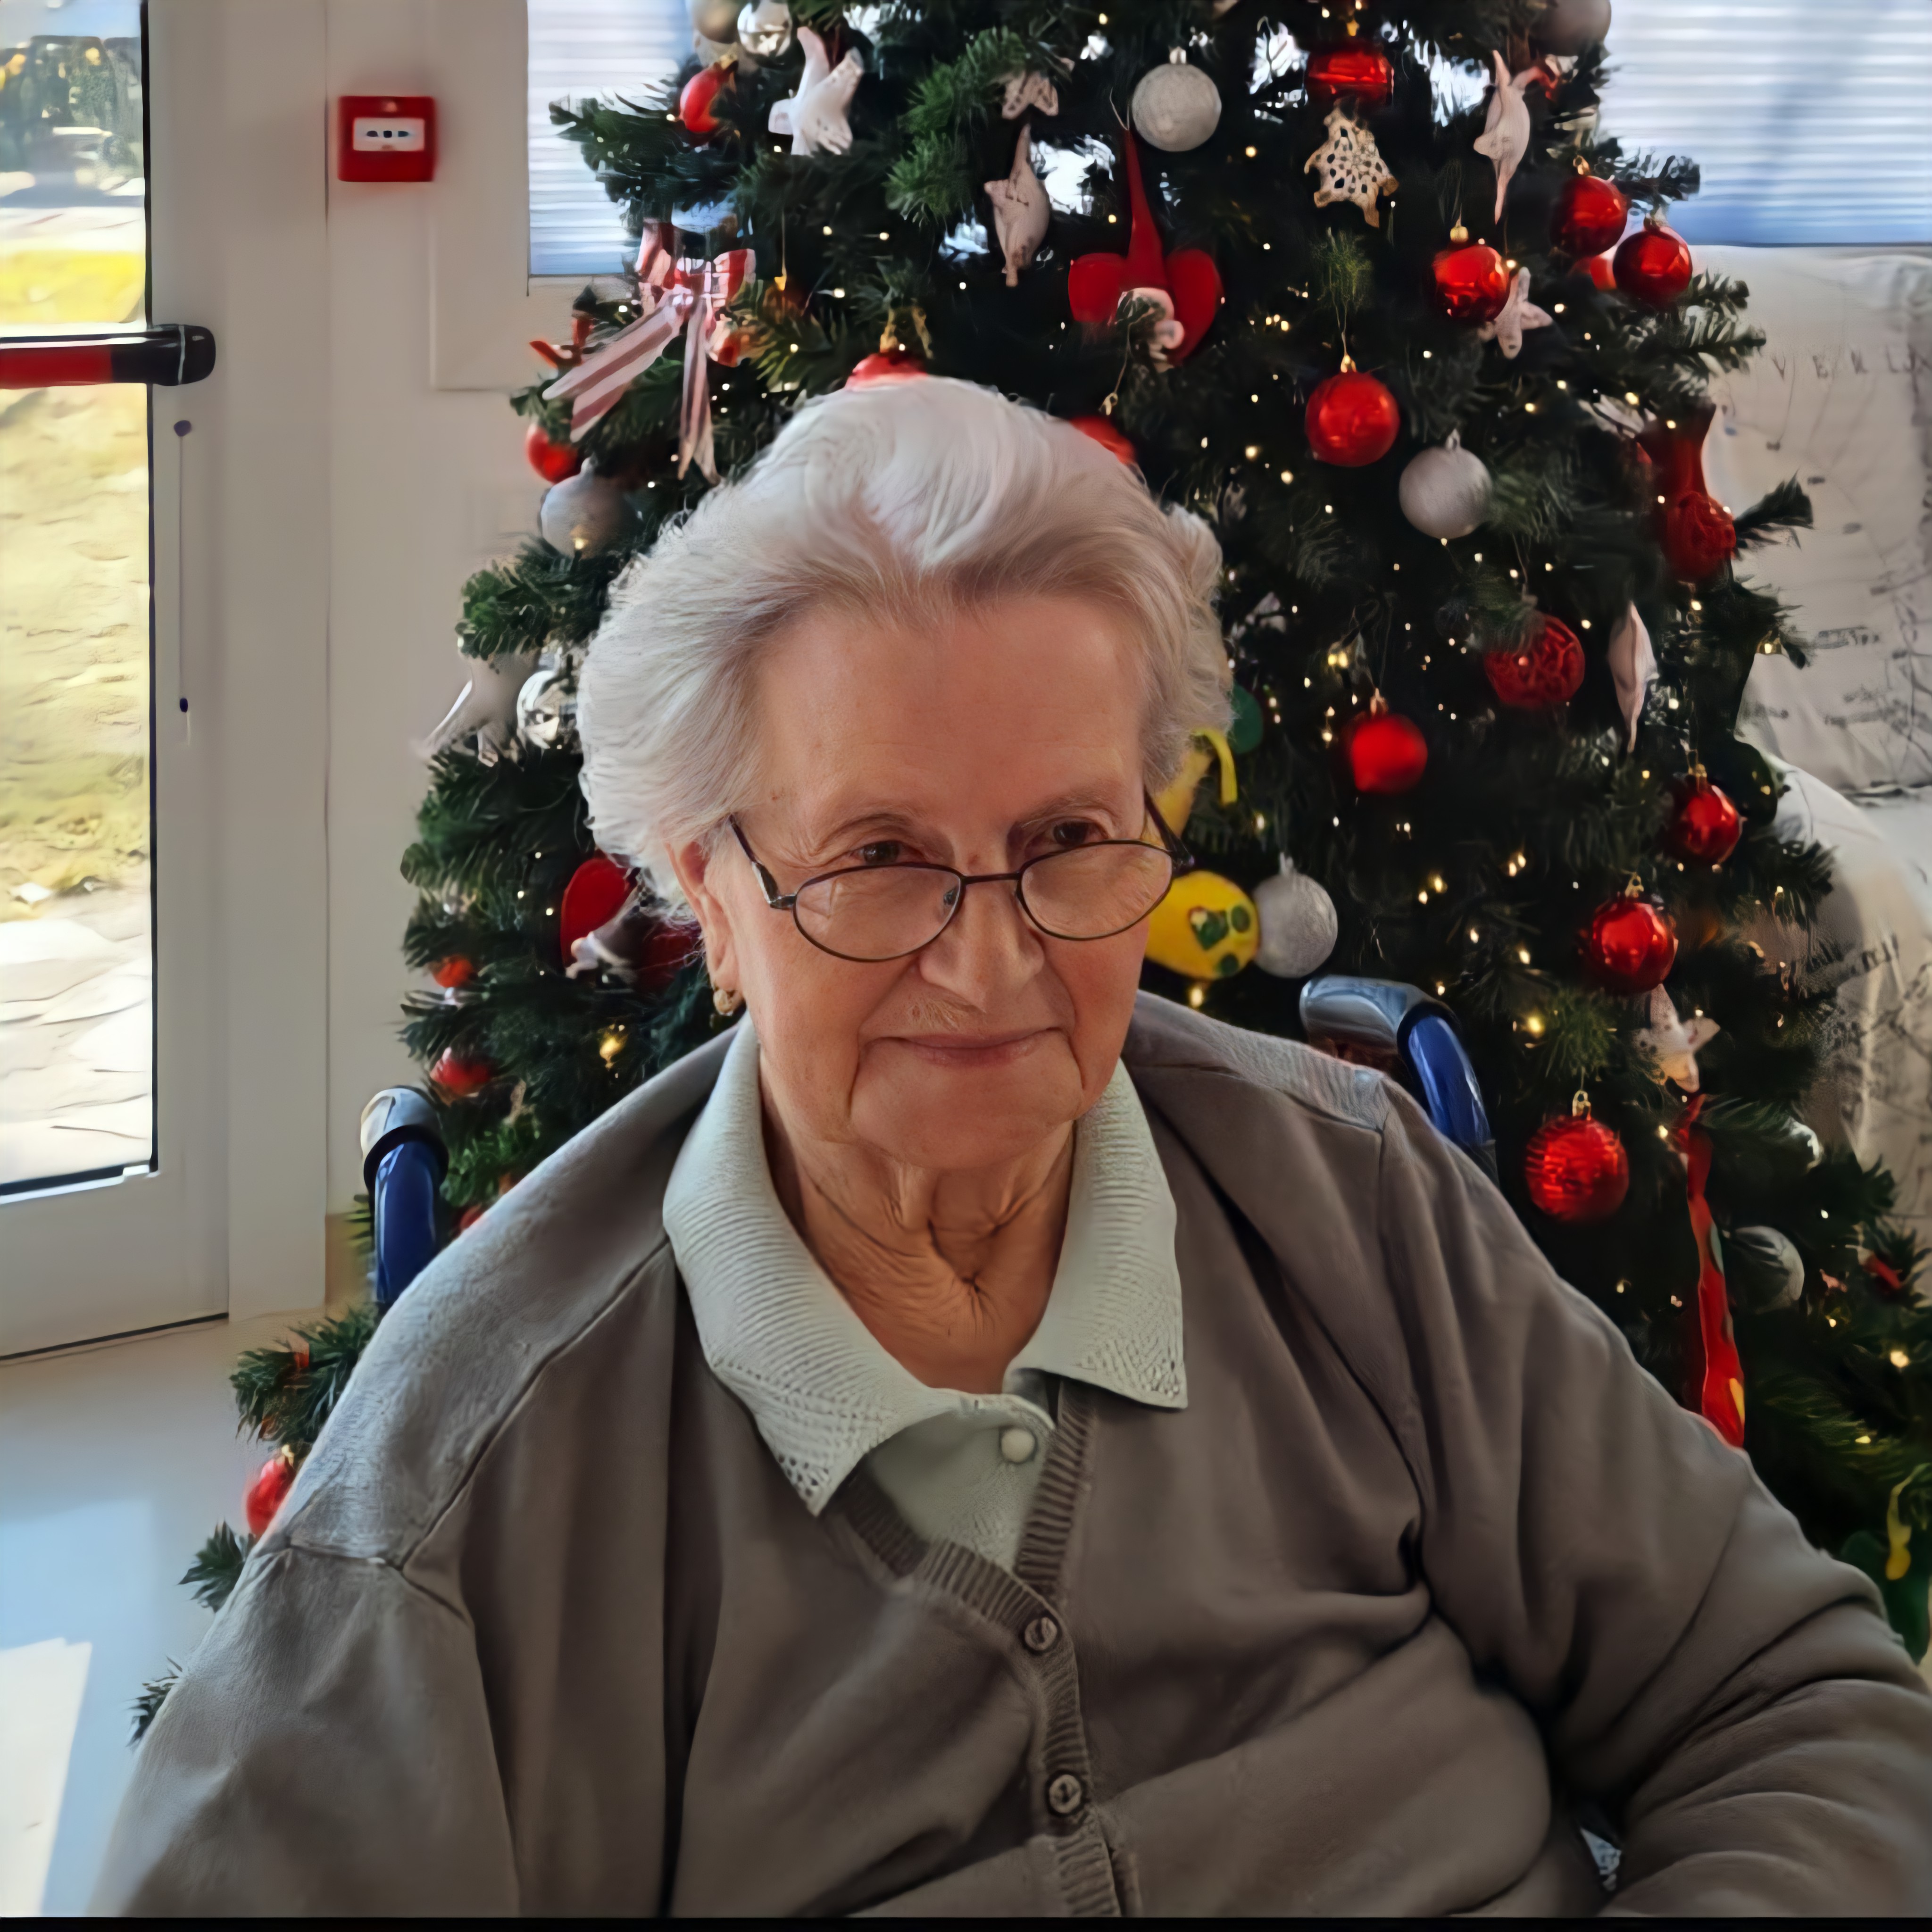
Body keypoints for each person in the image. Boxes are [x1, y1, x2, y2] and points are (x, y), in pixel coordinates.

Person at [97, 380, 1932, 1916]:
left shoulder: (1350, 1197)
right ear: (710, 898)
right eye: (879, 857)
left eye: (1066, 840)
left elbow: (1793, 1701)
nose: (989, 969)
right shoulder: (465, 1487)